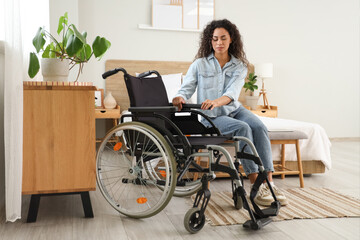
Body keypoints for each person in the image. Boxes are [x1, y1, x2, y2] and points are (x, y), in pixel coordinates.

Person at [172, 19, 287, 206]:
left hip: (234, 109)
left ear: (231, 39)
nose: (219, 43)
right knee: (242, 128)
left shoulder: (240, 65)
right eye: (215, 39)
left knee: (259, 126)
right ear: (210, 41)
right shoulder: (199, 64)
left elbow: (232, 94)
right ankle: (255, 185)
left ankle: (269, 183)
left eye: (223, 38)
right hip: (212, 117)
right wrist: (179, 97)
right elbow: (186, 89)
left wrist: (217, 101)